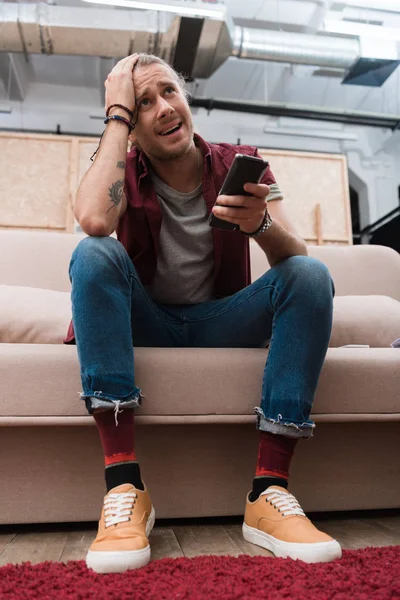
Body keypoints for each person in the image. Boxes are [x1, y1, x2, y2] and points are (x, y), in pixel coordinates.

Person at [65, 52, 341, 574]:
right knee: (93, 252)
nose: (163, 108)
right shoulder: (122, 170)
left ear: (186, 97)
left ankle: (269, 493)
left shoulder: (245, 164)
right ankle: (125, 487)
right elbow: (94, 220)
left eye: (169, 92)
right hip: (145, 321)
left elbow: (295, 256)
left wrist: (260, 224)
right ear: (128, 123)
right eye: (143, 103)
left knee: (310, 275)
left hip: (222, 321)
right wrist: (116, 117)